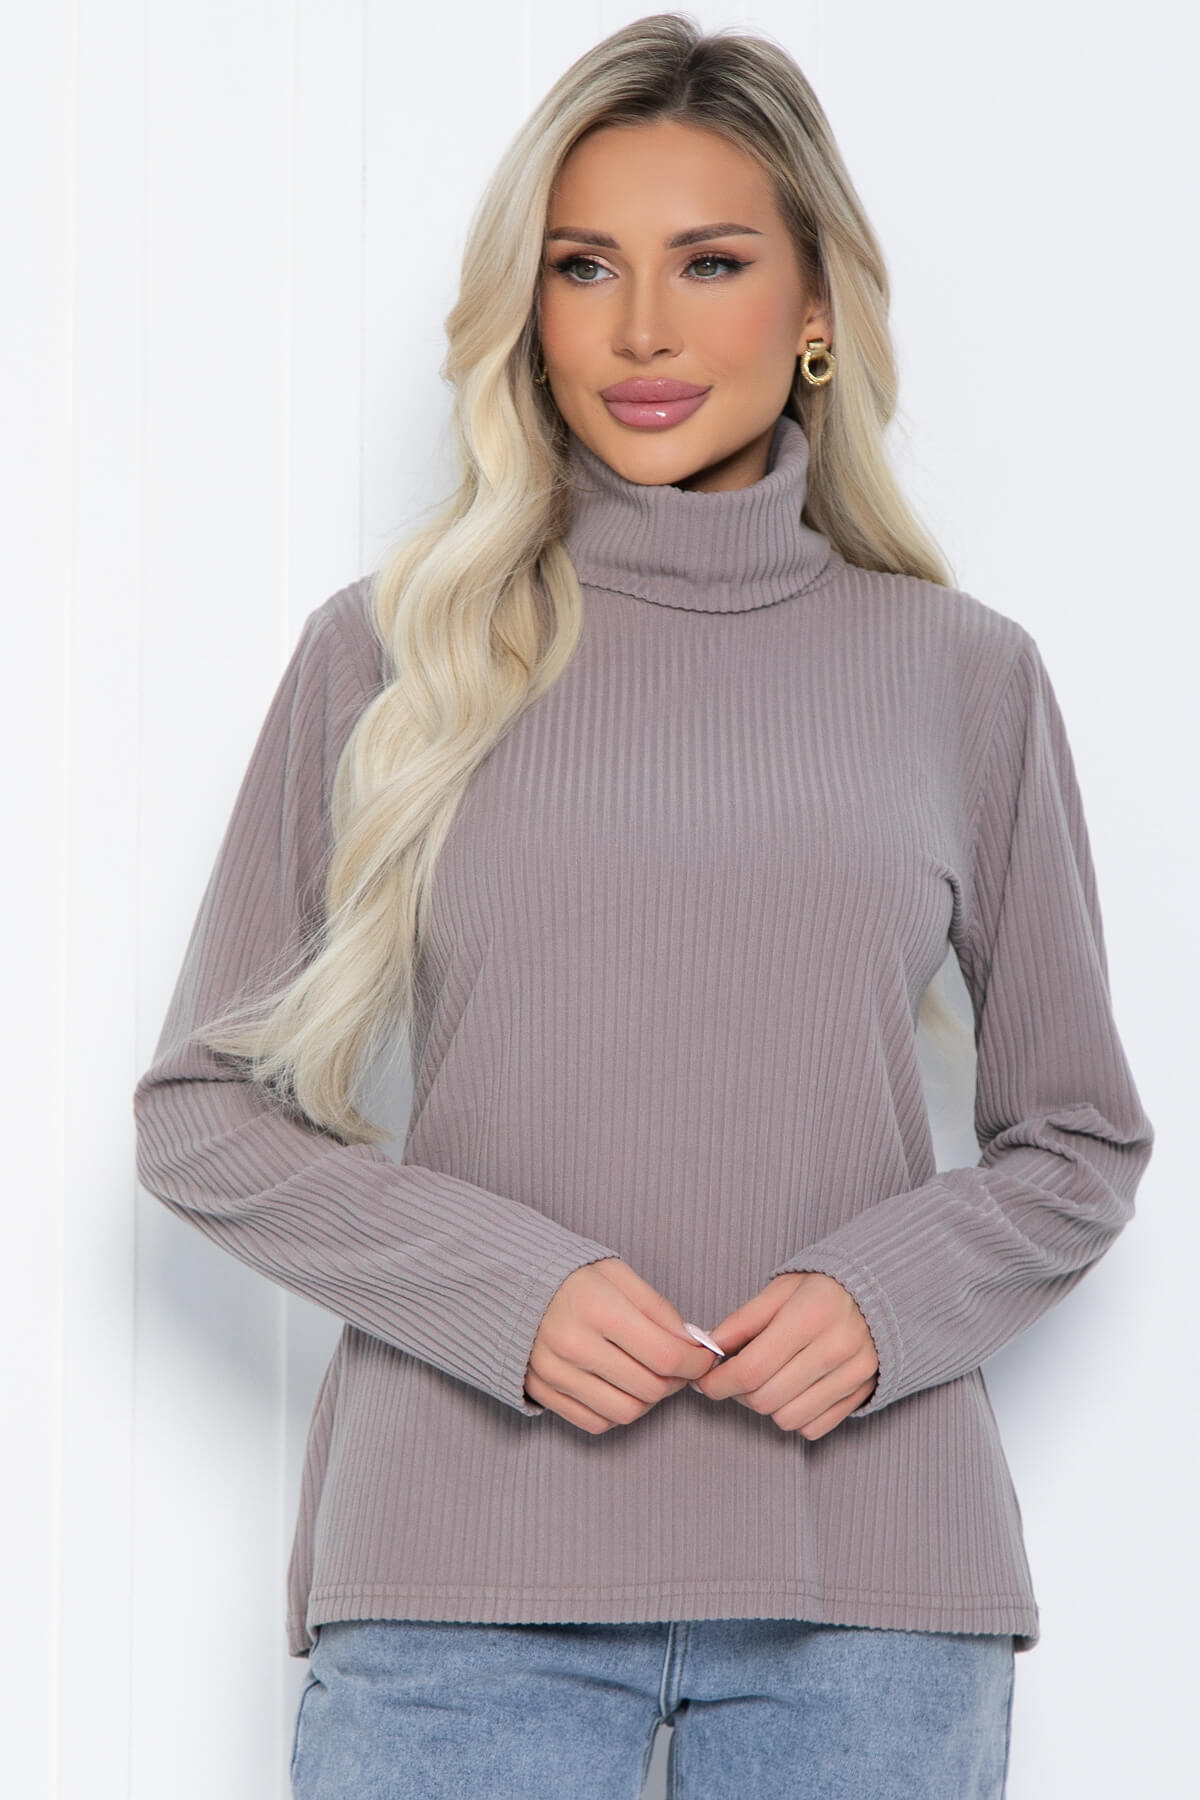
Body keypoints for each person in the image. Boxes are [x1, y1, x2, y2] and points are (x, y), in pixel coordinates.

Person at [132, 13, 1155, 1798]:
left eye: (713, 263)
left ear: (818, 303)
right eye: (585, 266)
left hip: (870, 1596)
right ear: (528, 313)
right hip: (458, 1589)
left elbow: (1079, 1140)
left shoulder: (962, 675)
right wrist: (503, 1290)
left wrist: (885, 1295)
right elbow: (201, 1115)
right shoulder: (388, 653)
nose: (645, 331)